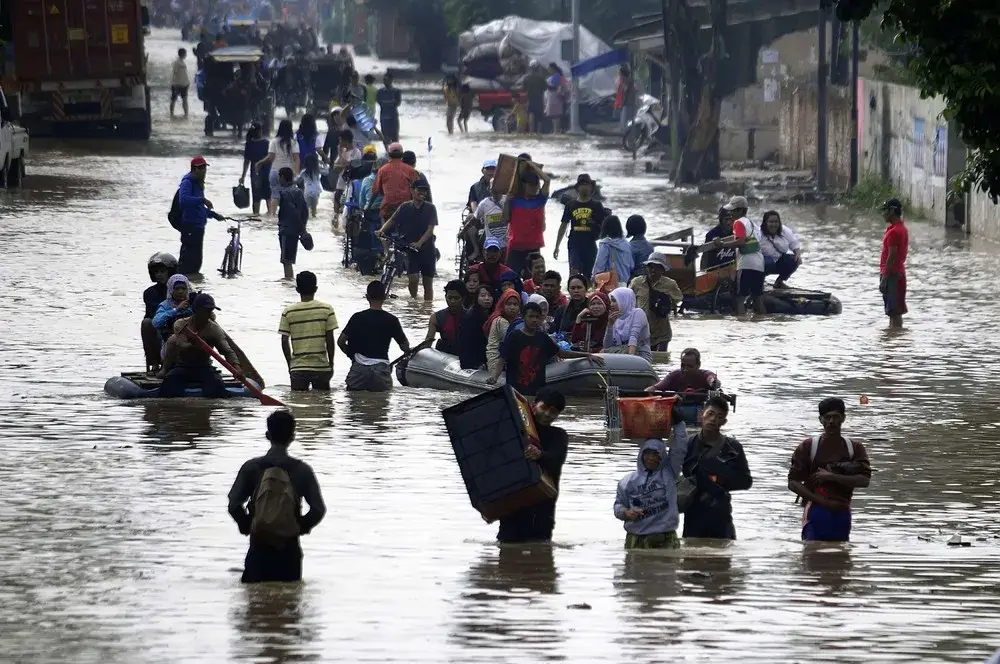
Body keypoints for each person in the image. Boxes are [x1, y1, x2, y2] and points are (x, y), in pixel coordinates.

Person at [227, 410, 327, 583]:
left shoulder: (251, 468)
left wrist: (248, 525)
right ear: (292, 437)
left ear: (267, 435)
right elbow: (318, 510)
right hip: (289, 551)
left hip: (258, 548)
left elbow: (234, 504)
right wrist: (298, 527)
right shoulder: (302, 470)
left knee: (255, 603)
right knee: (290, 602)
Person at [787, 397, 871, 542]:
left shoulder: (854, 448)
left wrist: (831, 477)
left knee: (840, 558)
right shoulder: (808, 447)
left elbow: (864, 480)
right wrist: (823, 502)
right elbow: (793, 483)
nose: (831, 421)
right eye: (827, 417)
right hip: (815, 512)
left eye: (836, 417)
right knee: (812, 556)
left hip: (843, 512)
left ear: (843, 419)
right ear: (821, 420)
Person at [496, 388, 569, 543]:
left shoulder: (559, 435)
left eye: (554, 412)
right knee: (506, 548)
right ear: (534, 405)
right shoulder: (515, 428)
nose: (548, 414)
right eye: (544, 408)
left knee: (540, 550)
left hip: (542, 505)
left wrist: (539, 454)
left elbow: (556, 458)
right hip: (513, 502)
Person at [488, 301, 604, 396]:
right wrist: (494, 377)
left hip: (537, 392)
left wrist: (587, 355)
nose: (534, 320)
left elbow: (561, 353)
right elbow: (502, 358)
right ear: (523, 317)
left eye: (537, 317)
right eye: (531, 316)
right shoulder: (514, 337)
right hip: (516, 391)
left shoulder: (542, 338)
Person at [681, 396, 752, 540]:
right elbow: (670, 473)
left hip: (721, 512)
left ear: (724, 422)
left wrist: (719, 477)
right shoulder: (687, 445)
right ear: (702, 414)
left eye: (719, 417)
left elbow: (746, 481)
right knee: (691, 558)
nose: (713, 419)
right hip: (693, 512)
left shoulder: (733, 448)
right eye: (710, 414)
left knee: (722, 558)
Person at [613, 424, 690, 550]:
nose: (651, 458)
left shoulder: (669, 473)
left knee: (668, 569)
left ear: (662, 456)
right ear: (641, 454)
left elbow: (680, 447)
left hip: (665, 537)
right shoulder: (627, 482)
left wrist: (679, 422)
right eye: (647, 453)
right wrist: (626, 513)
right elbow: (618, 506)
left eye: (656, 454)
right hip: (636, 539)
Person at [158, 294, 240, 398]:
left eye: (211, 311)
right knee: (169, 384)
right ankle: (165, 369)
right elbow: (181, 345)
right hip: (183, 365)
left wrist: (236, 368)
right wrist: (193, 344)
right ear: (196, 310)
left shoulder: (214, 329)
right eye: (206, 311)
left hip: (203, 366)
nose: (210, 314)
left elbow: (226, 350)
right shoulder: (180, 324)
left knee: (217, 387)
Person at [337, 281, 411, 391]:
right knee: (380, 405)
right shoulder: (392, 320)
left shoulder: (357, 318)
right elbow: (404, 347)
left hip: (358, 370)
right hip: (381, 370)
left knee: (355, 404)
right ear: (385, 297)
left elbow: (340, 342)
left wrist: (352, 355)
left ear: (367, 297)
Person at [377, 176, 437, 300]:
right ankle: (414, 301)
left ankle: (427, 308)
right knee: (413, 279)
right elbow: (392, 220)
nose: (422, 193)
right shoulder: (404, 207)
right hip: (410, 249)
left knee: (427, 283)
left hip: (427, 249)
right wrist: (381, 230)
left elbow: (430, 229)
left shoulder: (431, 208)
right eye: (419, 190)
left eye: (424, 190)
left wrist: (420, 242)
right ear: (412, 190)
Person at [279, 271, 338, 391]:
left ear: (297, 290)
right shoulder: (326, 309)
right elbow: (330, 339)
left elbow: (284, 341)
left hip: (298, 368)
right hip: (321, 366)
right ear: (316, 289)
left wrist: (290, 364)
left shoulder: (288, 311)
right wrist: (331, 363)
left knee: (298, 405)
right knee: (323, 405)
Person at [711, 196, 766, 315]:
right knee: (757, 298)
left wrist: (722, 244)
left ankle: (741, 325)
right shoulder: (752, 223)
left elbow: (740, 242)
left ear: (740, 211)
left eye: (733, 210)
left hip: (746, 264)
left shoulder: (739, 223)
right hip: (759, 264)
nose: (730, 213)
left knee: (740, 298)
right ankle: (762, 321)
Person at [176, 157, 223, 276]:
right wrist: (202, 200)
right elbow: (184, 200)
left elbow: (199, 208)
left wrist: (213, 214)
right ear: (194, 169)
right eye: (201, 168)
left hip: (198, 228)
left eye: (205, 168)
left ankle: (194, 285)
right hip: (190, 226)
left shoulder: (198, 184)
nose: (204, 171)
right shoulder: (188, 182)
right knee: (187, 262)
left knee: (196, 263)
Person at [504, 163, 551, 277]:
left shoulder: (540, 200)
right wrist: (507, 201)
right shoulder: (514, 200)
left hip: (533, 248)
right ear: (524, 185)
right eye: (530, 185)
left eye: (535, 184)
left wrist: (533, 166)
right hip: (516, 247)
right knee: (511, 277)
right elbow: (505, 219)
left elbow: (547, 180)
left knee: (534, 278)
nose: (534, 187)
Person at [554, 174, 607, 276]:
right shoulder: (571, 205)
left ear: (591, 187)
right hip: (574, 244)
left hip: (590, 244)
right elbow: (563, 225)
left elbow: (604, 226)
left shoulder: (596, 205)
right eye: (582, 184)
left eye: (587, 184)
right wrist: (557, 246)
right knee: (574, 273)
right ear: (577, 187)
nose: (585, 187)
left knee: (590, 275)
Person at [630, 252, 683, 352]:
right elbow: (629, 300)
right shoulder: (637, 282)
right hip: (642, 329)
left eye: (657, 267)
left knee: (660, 360)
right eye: (650, 267)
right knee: (645, 358)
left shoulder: (670, 284)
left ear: (662, 270)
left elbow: (678, 298)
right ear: (647, 267)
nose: (653, 270)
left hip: (662, 330)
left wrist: (664, 302)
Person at [256, 119, 300, 217]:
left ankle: (272, 217)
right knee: (289, 195)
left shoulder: (274, 141)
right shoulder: (293, 142)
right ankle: (287, 216)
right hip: (288, 173)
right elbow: (296, 159)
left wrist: (260, 162)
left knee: (274, 195)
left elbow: (271, 158)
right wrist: (296, 174)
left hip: (275, 172)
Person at [142, 253, 177, 372]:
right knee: (147, 323)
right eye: (156, 272)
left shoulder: (181, 289)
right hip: (160, 329)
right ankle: (156, 363)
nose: (159, 275)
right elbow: (156, 315)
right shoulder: (149, 293)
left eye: (162, 271)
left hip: (180, 329)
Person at [367, 142, 417, 223]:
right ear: (402, 155)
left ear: (389, 154)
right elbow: (416, 188)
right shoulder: (410, 170)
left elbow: (375, 191)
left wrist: (368, 206)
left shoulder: (382, 170)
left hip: (388, 207)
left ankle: (383, 233)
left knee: (383, 218)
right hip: (406, 206)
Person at [879, 198, 909, 329]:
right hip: (896, 274)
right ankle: (894, 340)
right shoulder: (900, 229)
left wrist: (885, 278)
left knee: (895, 313)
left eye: (885, 210)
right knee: (893, 312)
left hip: (892, 275)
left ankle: (895, 343)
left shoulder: (894, 232)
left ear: (892, 211)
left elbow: (892, 256)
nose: (883, 214)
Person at [275, 167, 309, 280]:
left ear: (283, 178)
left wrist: (301, 229)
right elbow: (305, 211)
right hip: (294, 231)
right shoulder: (298, 191)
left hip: (287, 230)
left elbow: (292, 213)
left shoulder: (285, 194)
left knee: (286, 261)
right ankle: (289, 283)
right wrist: (303, 228)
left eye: (279, 177)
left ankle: (288, 284)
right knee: (289, 260)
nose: (278, 179)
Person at [604, 287, 652, 362]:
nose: (611, 304)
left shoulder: (638, 313)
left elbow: (634, 336)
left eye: (614, 301)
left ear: (623, 300)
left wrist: (629, 359)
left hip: (640, 356)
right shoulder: (615, 318)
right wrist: (609, 325)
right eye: (611, 301)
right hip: (619, 355)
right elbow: (607, 346)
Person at [760, 210, 802, 289]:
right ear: (765, 223)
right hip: (764, 263)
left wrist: (798, 255)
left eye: (776, 222)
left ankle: (779, 281)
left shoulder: (784, 230)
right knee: (765, 262)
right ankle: (760, 282)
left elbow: (794, 243)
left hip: (779, 261)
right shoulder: (758, 234)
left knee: (794, 259)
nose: (774, 224)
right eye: (771, 222)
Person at [484, 289, 522, 377]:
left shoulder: (516, 320)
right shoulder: (500, 321)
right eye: (509, 304)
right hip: (496, 363)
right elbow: (514, 342)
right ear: (503, 305)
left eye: (515, 304)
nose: (512, 307)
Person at [648, 348, 720, 393]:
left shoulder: (705, 375)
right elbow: (655, 387)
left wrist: (713, 382)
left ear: (698, 365)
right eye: (683, 365)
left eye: (689, 366)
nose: (685, 369)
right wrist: (649, 391)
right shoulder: (674, 375)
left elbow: (712, 380)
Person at [425, 279, 466, 355]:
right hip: (445, 355)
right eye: (450, 298)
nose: (452, 301)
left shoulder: (472, 317)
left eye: (456, 298)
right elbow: (428, 344)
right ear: (445, 297)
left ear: (463, 298)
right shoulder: (436, 318)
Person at [459, 285, 494, 369]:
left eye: (489, 295)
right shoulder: (470, 317)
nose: (487, 298)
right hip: (473, 362)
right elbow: (467, 344)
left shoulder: (492, 315)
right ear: (476, 298)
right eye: (483, 296)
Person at [592, 215, 635, 284]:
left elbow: (600, 265)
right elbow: (631, 265)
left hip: (611, 284)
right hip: (626, 282)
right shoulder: (626, 244)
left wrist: (594, 278)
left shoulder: (605, 244)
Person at [152, 273, 193, 344]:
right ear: (171, 290)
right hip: (171, 344)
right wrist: (177, 309)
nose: (180, 292)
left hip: (192, 338)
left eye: (183, 288)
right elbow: (156, 323)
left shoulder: (193, 303)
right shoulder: (165, 305)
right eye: (177, 289)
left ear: (187, 290)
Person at [332, 129, 362, 226]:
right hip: (341, 182)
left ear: (345, 140)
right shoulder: (343, 151)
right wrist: (343, 163)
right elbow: (335, 167)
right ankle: (336, 223)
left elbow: (349, 166)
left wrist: (340, 155)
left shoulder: (356, 152)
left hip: (351, 184)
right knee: (336, 201)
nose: (339, 142)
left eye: (340, 140)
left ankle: (346, 225)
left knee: (347, 205)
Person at [240, 123, 271, 215]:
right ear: (260, 131)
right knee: (268, 196)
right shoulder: (266, 143)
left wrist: (243, 176)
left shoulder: (249, 144)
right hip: (267, 173)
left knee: (256, 197)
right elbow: (271, 158)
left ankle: (256, 216)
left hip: (255, 174)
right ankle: (270, 217)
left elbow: (246, 161)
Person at [626, 215, 654, 280]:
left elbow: (628, 269)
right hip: (649, 279)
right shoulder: (649, 246)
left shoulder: (630, 247)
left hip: (634, 281)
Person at [523, 61, 548, 134]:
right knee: (539, 116)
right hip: (539, 99)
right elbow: (545, 88)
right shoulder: (540, 78)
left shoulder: (526, 78)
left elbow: (524, 89)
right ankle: (539, 132)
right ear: (537, 68)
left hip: (530, 99)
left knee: (531, 113)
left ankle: (531, 131)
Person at [376, 73, 402, 142]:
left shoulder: (396, 91)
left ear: (391, 80)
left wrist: (386, 102)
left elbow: (398, 103)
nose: (384, 81)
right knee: (385, 138)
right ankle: (387, 152)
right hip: (384, 117)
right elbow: (379, 102)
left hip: (393, 117)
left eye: (386, 80)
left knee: (395, 138)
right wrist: (391, 102)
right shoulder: (380, 91)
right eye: (384, 80)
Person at [297, 153, 323, 218]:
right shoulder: (317, 171)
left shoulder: (304, 172)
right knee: (314, 210)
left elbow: (298, 181)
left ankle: (306, 221)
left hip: (308, 191)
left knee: (306, 209)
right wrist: (322, 163)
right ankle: (314, 219)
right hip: (316, 191)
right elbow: (327, 171)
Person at [615, 65, 637, 134]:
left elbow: (625, 95)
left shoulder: (626, 83)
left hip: (627, 106)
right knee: (628, 124)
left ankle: (629, 139)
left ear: (623, 75)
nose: (620, 76)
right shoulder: (629, 82)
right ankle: (629, 137)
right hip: (629, 105)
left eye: (620, 74)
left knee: (626, 125)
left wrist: (621, 105)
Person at [170, 48, 190, 118]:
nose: (186, 55)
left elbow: (184, 74)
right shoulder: (176, 62)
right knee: (174, 99)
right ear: (183, 54)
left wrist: (187, 82)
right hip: (177, 84)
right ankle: (172, 114)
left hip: (184, 84)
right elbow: (175, 73)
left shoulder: (182, 62)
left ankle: (186, 114)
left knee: (184, 100)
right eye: (185, 53)